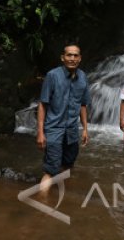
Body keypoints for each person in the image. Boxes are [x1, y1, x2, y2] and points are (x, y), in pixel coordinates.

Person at [36, 43, 90, 192]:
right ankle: (42, 203)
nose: (72, 58)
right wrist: (40, 132)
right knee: (50, 170)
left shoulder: (83, 77)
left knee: (68, 165)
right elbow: (43, 104)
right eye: (69, 55)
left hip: (72, 131)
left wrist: (85, 129)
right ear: (62, 58)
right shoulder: (53, 76)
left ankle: (62, 196)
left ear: (80, 58)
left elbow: (83, 104)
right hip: (54, 129)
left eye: (75, 55)